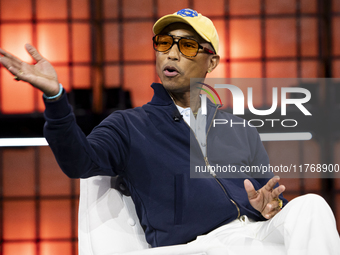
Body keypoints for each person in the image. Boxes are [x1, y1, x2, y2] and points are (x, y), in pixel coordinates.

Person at [1, 8, 339, 255]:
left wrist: (270, 207)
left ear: (212, 61)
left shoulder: (240, 129)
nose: (171, 54)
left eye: (187, 46)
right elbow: (78, 163)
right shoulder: (128, 126)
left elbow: (267, 198)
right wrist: (56, 98)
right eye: (164, 43)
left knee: (312, 206)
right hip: (194, 246)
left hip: (254, 235)